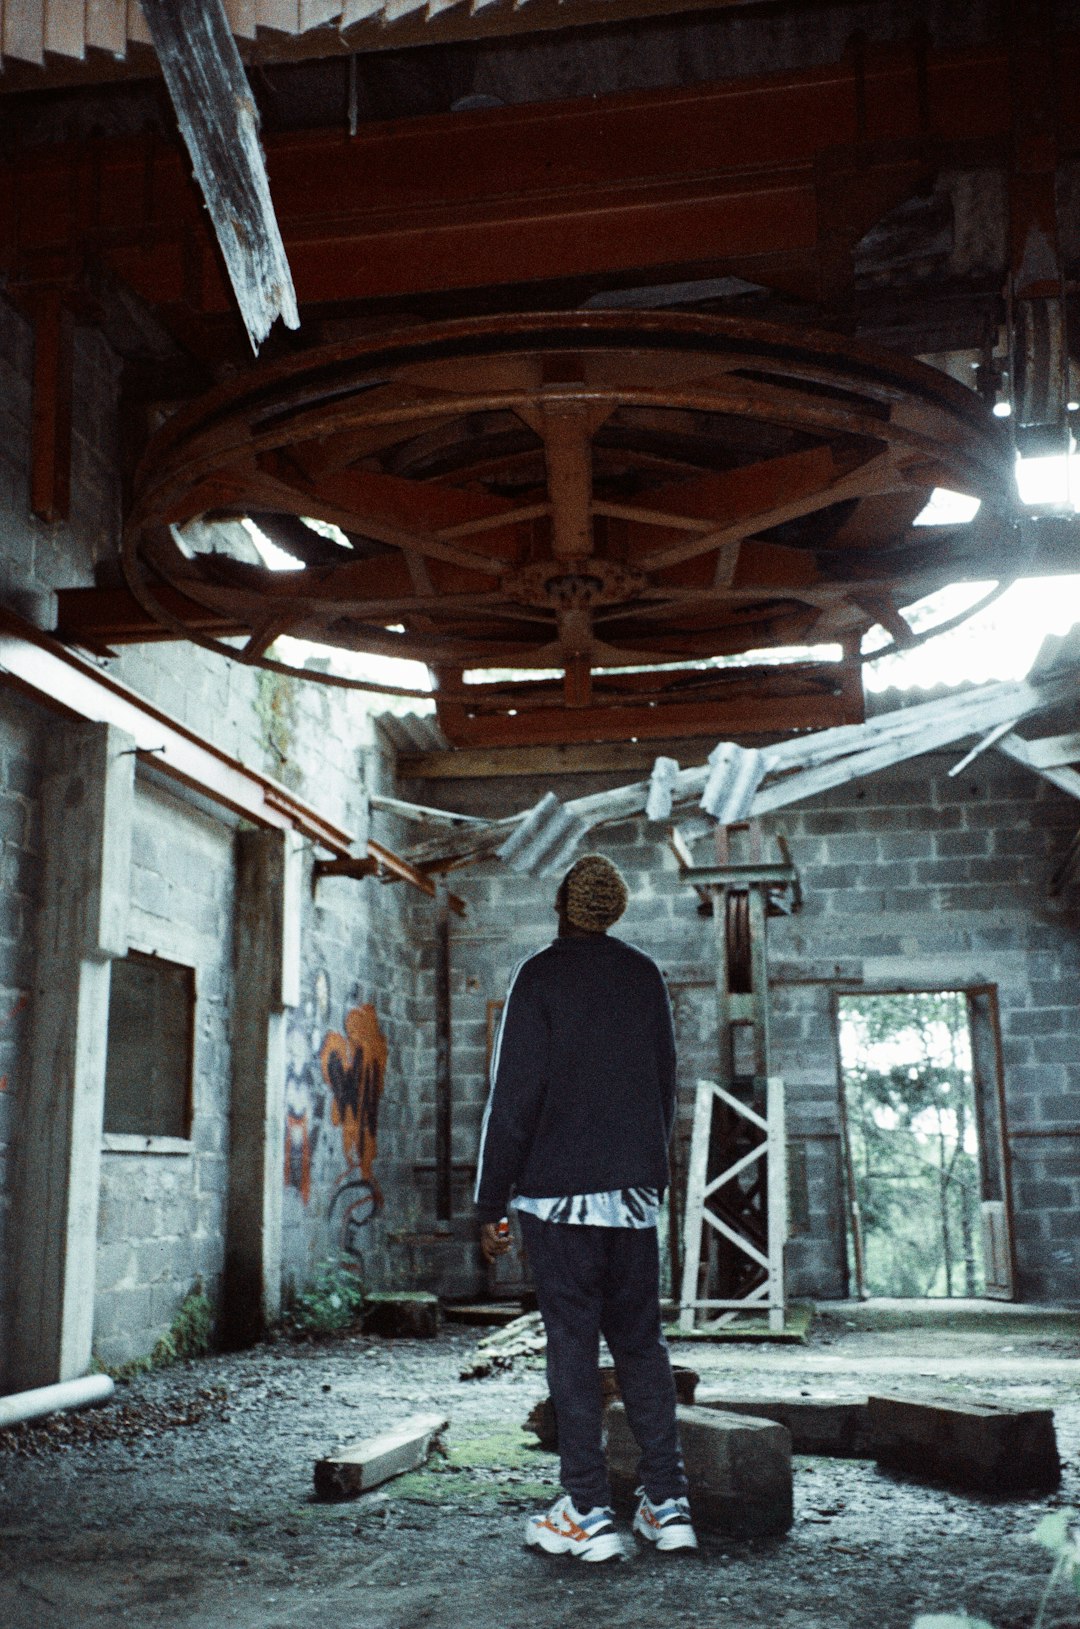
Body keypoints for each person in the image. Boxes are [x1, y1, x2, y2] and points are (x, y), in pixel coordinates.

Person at [475, 853, 696, 1563]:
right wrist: (649, 1178)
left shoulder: (540, 975)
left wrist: (490, 1200)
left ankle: (589, 1511)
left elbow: (514, 1098)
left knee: (572, 1346)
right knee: (642, 1346)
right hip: (634, 1198)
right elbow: (667, 1088)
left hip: (558, 1199)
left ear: (561, 905)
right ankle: (668, 1505)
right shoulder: (644, 976)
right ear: (617, 910)